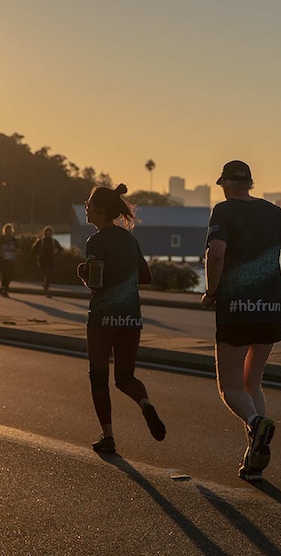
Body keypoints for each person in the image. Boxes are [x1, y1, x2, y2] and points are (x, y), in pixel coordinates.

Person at [201, 160, 281, 481]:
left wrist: (211, 290)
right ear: (249, 183)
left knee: (230, 387)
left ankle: (256, 424)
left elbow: (216, 253)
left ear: (225, 185)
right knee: (252, 384)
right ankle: (254, 458)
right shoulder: (273, 213)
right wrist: (280, 286)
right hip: (269, 311)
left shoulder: (223, 211)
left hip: (235, 310)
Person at [77, 184, 165, 453]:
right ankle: (146, 406)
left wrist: (82, 271)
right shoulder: (130, 239)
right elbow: (146, 277)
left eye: (89, 203)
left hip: (103, 318)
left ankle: (108, 437)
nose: (86, 206)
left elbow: (96, 282)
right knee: (126, 377)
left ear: (100, 211)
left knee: (99, 377)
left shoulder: (97, 240)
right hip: (130, 319)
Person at [31, 226, 63, 296]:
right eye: (47, 233)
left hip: (51, 260)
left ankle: (45, 285)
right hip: (42, 260)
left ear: (51, 233)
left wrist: (56, 254)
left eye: (49, 233)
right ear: (44, 233)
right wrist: (39, 254)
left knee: (50, 274)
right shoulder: (41, 241)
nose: (48, 234)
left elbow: (60, 249)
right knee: (47, 273)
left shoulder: (54, 241)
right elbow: (34, 249)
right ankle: (46, 289)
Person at [0, 223, 17, 297]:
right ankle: (4, 289)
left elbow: (17, 247)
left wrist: (17, 251)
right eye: (7, 230)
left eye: (10, 230)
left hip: (10, 259)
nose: (8, 231)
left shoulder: (13, 239)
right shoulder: (1, 239)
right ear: (4, 230)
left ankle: (4, 288)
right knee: (5, 273)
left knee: (9, 275)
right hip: (2, 260)